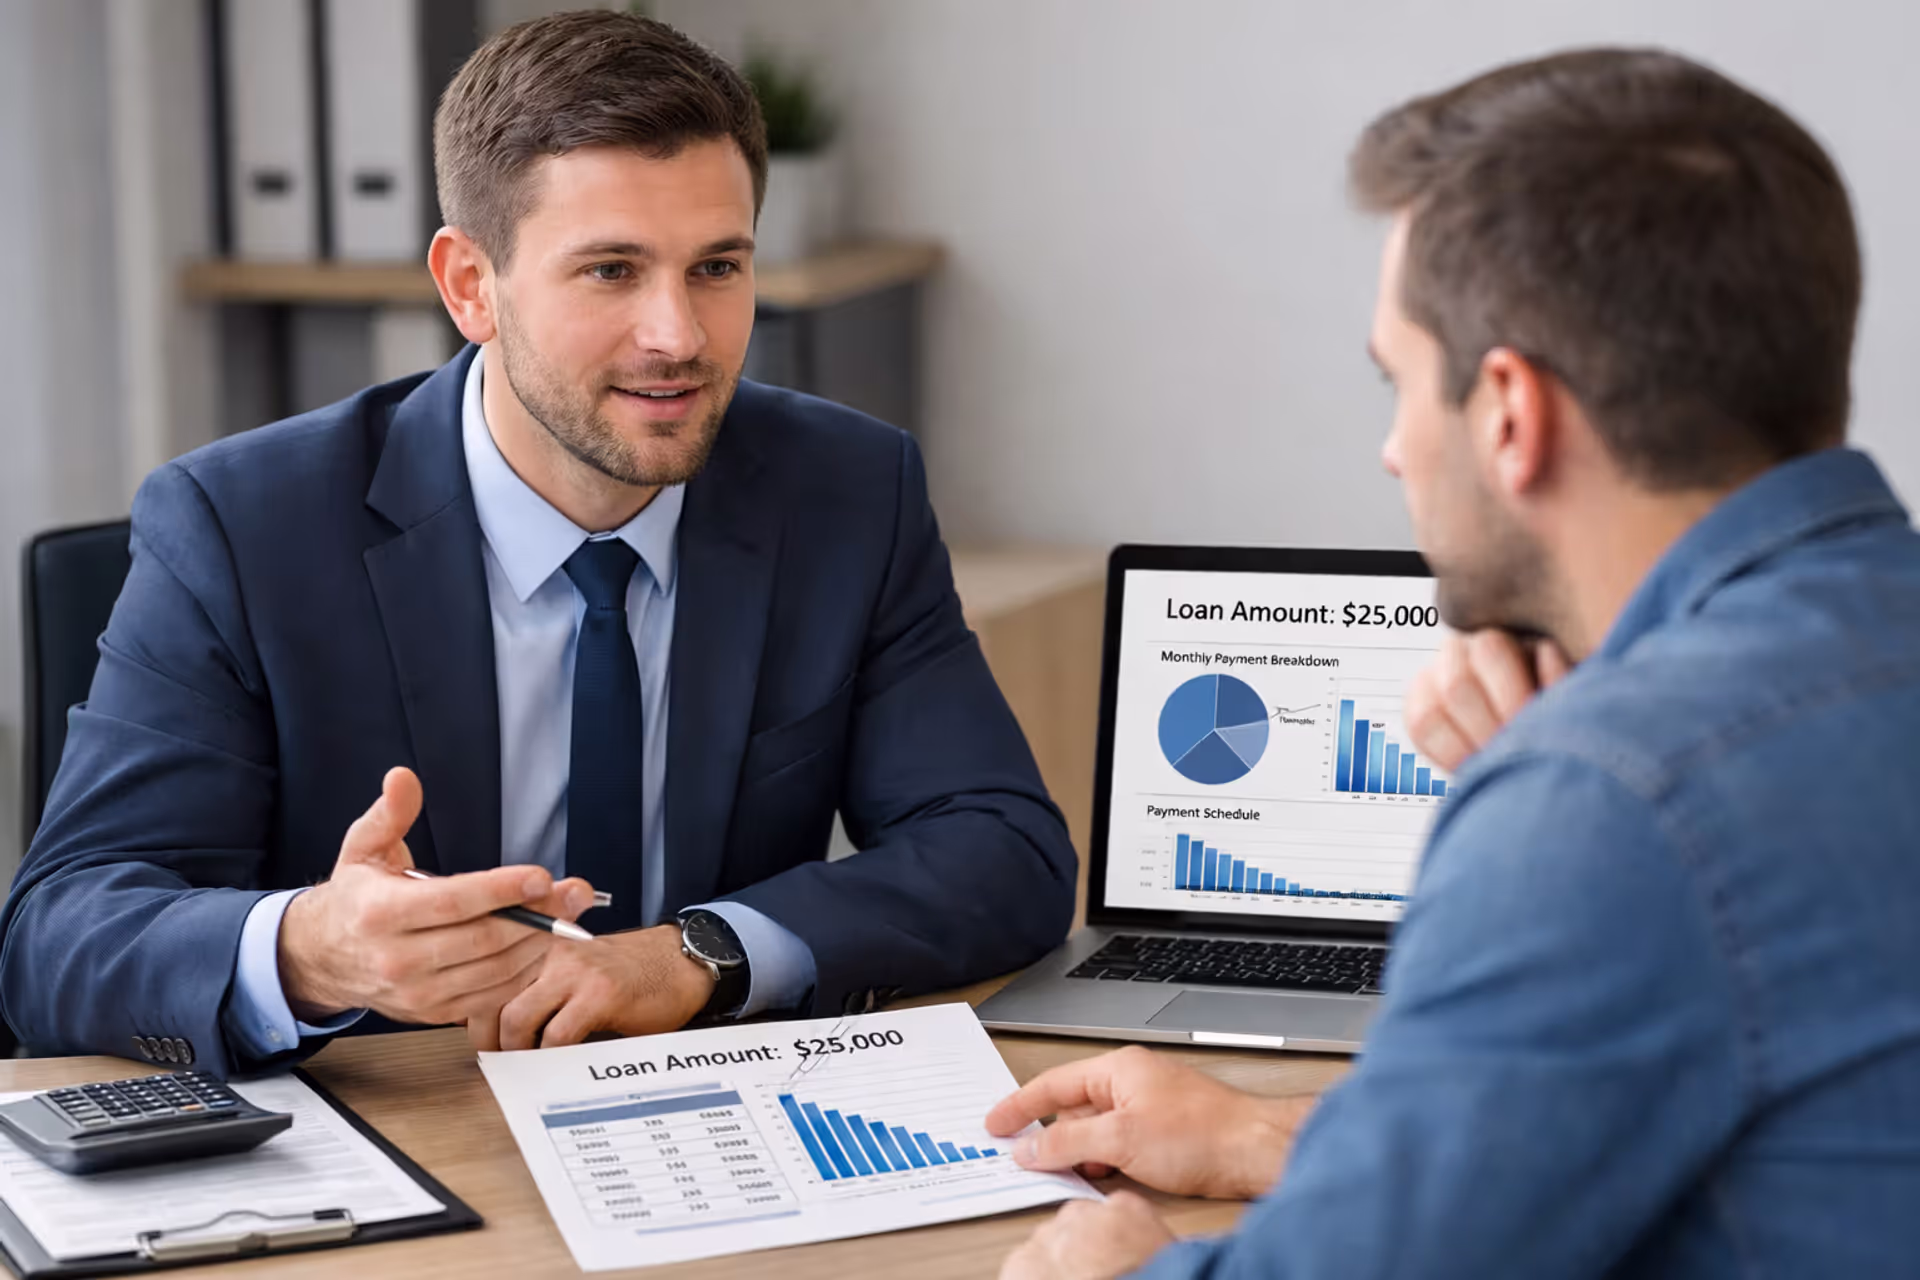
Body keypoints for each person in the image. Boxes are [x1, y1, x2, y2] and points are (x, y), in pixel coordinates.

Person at [989, 47, 1920, 1279]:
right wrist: (1272, 1132)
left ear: (1509, 414)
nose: (1391, 450)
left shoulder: (1613, 797)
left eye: (1399, 383)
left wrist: (1103, 1270)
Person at [0, 10, 1075, 1077]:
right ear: (470, 284)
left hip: (708, 1124)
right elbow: (57, 934)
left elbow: (1003, 850)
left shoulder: (847, 490)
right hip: (406, 1143)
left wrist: (700, 951)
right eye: (611, 270)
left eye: (717, 267)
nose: (680, 337)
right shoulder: (240, 525)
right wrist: (313, 951)